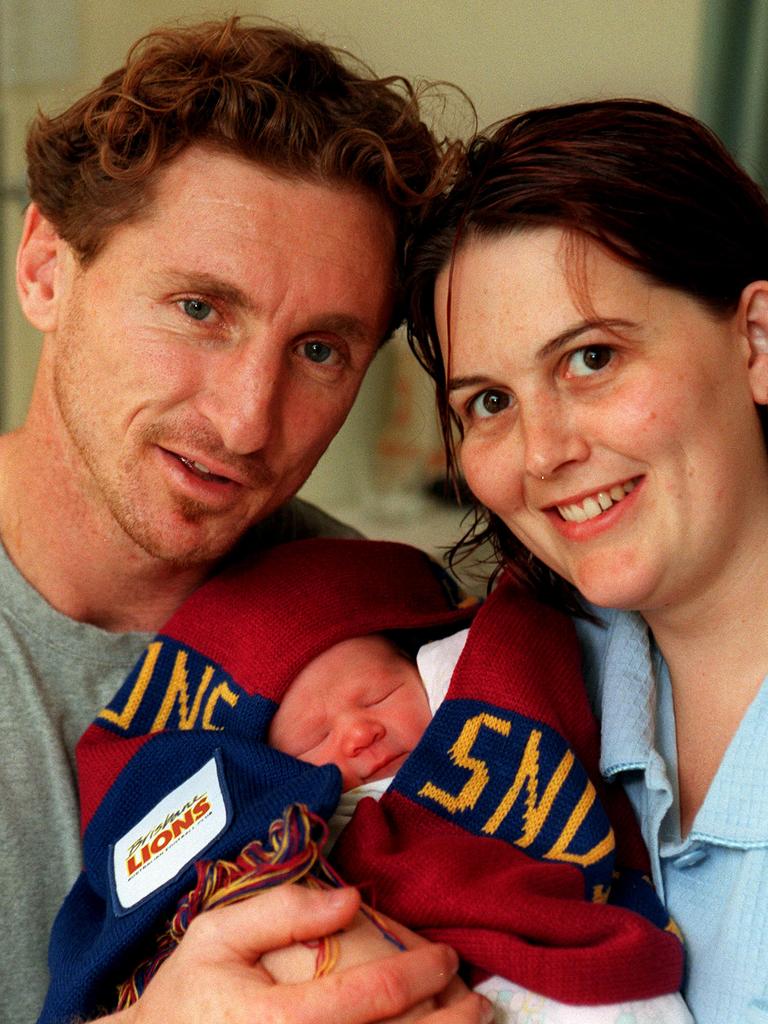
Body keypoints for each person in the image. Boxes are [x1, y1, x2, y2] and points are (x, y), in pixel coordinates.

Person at [0, 16, 491, 1024]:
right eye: (198, 309)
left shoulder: (401, 626)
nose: (245, 418)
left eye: (320, 351)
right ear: (46, 266)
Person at [406, 98, 768, 1024]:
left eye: (591, 357)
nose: (540, 454)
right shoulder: (478, 703)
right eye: (488, 402)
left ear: (757, 339)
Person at [44, 538, 688, 1024]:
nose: (357, 733)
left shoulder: (474, 699)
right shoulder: (292, 823)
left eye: (380, 694)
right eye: (313, 740)